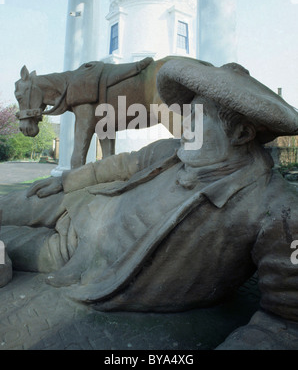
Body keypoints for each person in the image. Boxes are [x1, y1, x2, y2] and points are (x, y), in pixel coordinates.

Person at [1, 59, 298, 349]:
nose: (185, 126)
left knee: (7, 245)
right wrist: (66, 181)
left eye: (197, 118)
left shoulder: (277, 212)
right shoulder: (172, 150)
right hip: (79, 203)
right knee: (11, 204)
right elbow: (122, 164)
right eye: (187, 115)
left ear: (241, 133)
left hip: (80, 258)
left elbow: (287, 321)